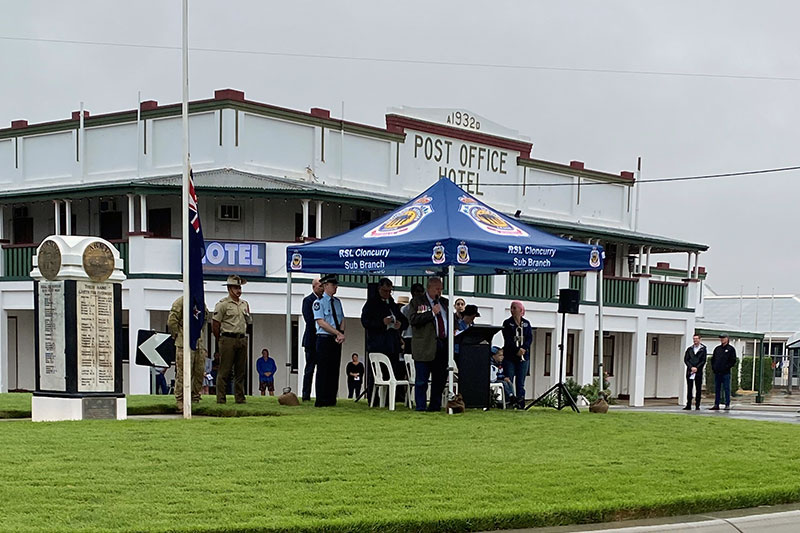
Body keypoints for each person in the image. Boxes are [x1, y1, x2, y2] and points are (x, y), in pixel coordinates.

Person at [361, 277, 409, 401]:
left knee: (392, 372)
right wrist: (381, 322)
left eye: (389, 291)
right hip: (377, 344)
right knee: (376, 373)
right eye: (385, 291)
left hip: (392, 344)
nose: (387, 294)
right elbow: (366, 322)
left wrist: (400, 324)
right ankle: (374, 399)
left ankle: (389, 398)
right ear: (379, 289)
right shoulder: (371, 303)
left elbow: (404, 320)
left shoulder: (392, 304)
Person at [409, 276, 449, 412]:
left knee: (439, 379)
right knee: (422, 380)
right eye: (437, 289)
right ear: (429, 288)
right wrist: (431, 313)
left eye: (441, 289)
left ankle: (435, 406)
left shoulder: (445, 303)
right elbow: (413, 319)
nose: (439, 292)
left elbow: (450, 320)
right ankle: (420, 406)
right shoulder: (417, 301)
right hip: (424, 346)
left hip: (442, 345)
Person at [212, 275, 252, 404]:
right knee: (224, 370)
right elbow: (215, 324)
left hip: (241, 338)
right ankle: (221, 398)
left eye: (239, 287)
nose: (238, 290)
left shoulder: (244, 304)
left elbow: (248, 321)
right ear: (229, 289)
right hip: (227, 338)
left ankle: (240, 397)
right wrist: (220, 339)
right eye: (235, 287)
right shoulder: (222, 304)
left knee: (240, 371)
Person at [167, 295, 208, 412]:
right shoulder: (180, 302)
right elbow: (172, 321)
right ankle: (180, 399)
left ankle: (195, 397)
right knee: (183, 373)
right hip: (183, 343)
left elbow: (204, 318)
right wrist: (177, 335)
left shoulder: (200, 302)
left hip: (198, 343)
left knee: (199, 371)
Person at [313, 274, 346, 407]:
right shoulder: (319, 303)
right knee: (323, 369)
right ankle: (321, 399)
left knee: (334, 369)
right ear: (326, 286)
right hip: (324, 338)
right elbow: (321, 322)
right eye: (333, 285)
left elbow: (342, 319)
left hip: (335, 340)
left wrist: (341, 334)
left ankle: (331, 398)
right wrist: (337, 333)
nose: (335, 287)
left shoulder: (337, 302)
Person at [502, 300, 533, 409]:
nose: (512, 310)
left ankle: (521, 402)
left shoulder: (526, 323)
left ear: (521, 310)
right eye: (511, 308)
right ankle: (510, 401)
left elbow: (529, 338)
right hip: (510, 356)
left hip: (523, 357)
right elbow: (508, 339)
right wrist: (517, 350)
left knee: (521, 382)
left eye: (514, 308)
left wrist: (523, 348)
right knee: (509, 379)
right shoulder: (507, 323)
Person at [301, 278, 324, 402]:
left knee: (321, 369)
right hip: (311, 340)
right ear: (314, 287)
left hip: (322, 341)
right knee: (310, 368)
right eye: (320, 286)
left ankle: (320, 395)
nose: (322, 288)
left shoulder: (324, 301)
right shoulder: (308, 301)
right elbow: (309, 320)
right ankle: (306, 394)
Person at [710, 333, 737, 410]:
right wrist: (714, 368)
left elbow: (733, 361)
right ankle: (716, 404)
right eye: (721, 338)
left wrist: (726, 367)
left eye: (723, 338)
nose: (722, 339)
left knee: (726, 388)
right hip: (717, 372)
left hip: (726, 373)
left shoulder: (731, 349)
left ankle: (727, 404)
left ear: (727, 339)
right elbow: (713, 359)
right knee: (717, 389)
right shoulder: (717, 349)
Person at [683, 334, 707, 410]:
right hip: (690, 371)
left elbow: (703, 360)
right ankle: (688, 404)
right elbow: (686, 360)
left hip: (698, 372)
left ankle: (697, 405)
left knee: (698, 388)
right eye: (694, 339)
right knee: (689, 388)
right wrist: (691, 367)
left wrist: (697, 368)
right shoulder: (689, 349)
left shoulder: (703, 349)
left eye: (696, 339)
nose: (695, 340)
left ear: (700, 339)